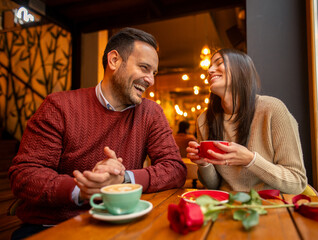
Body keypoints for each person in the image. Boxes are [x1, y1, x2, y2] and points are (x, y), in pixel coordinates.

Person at [8, 27, 187, 239]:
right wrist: (83, 188)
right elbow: (25, 175)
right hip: (52, 226)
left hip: (121, 223)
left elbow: (175, 169)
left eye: (153, 73)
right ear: (114, 60)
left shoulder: (151, 112)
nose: (150, 80)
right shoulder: (59, 106)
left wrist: (123, 179)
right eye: (144, 68)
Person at [186, 49, 307, 194]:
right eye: (210, 66)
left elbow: (297, 182)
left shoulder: (272, 109)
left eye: (219, 63)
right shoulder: (204, 120)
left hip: (271, 206)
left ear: (241, 69)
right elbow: (214, 186)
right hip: (225, 204)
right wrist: (204, 164)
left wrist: (251, 160)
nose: (210, 70)